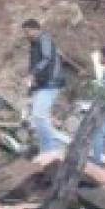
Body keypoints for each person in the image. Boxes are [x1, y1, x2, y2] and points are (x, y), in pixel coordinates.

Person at [23, 17, 66, 155]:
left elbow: (46, 59)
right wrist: (33, 83)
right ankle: (46, 147)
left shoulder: (44, 39)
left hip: (51, 83)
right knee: (39, 117)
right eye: (25, 32)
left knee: (39, 115)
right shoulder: (35, 43)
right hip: (42, 84)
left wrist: (33, 74)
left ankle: (50, 149)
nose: (26, 35)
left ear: (36, 29)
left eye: (28, 31)